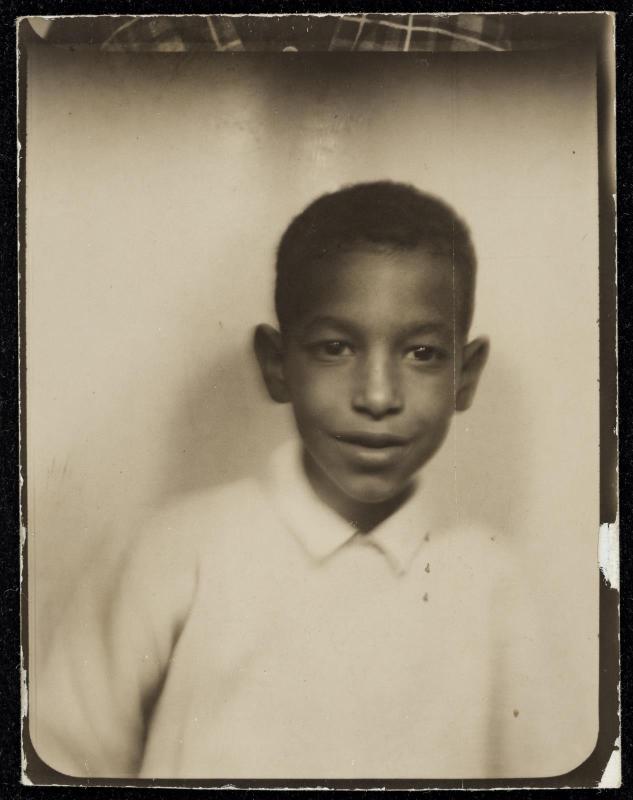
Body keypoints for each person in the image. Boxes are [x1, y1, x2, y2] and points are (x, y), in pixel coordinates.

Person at [31, 182, 593, 780]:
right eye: (336, 347)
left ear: (466, 375)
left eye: (423, 353)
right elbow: (63, 763)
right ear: (277, 365)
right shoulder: (171, 554)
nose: (378, 396)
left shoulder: (496, 587)